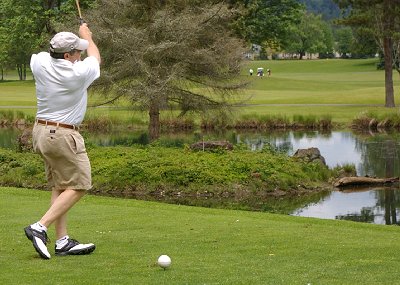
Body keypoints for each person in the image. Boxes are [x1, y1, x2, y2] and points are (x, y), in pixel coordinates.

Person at [24, 23, 101, 260]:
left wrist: (75, 42)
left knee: (61, 184)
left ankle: (62, 241)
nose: (80, 55)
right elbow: (96, 58)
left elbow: (46, 53)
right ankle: (40, 226)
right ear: (67, 56)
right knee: (80, 184)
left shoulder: (39, 62)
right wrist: (86, 36)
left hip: (41, 132)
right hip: (63, 135)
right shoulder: (76, 74)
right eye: (76, 52)